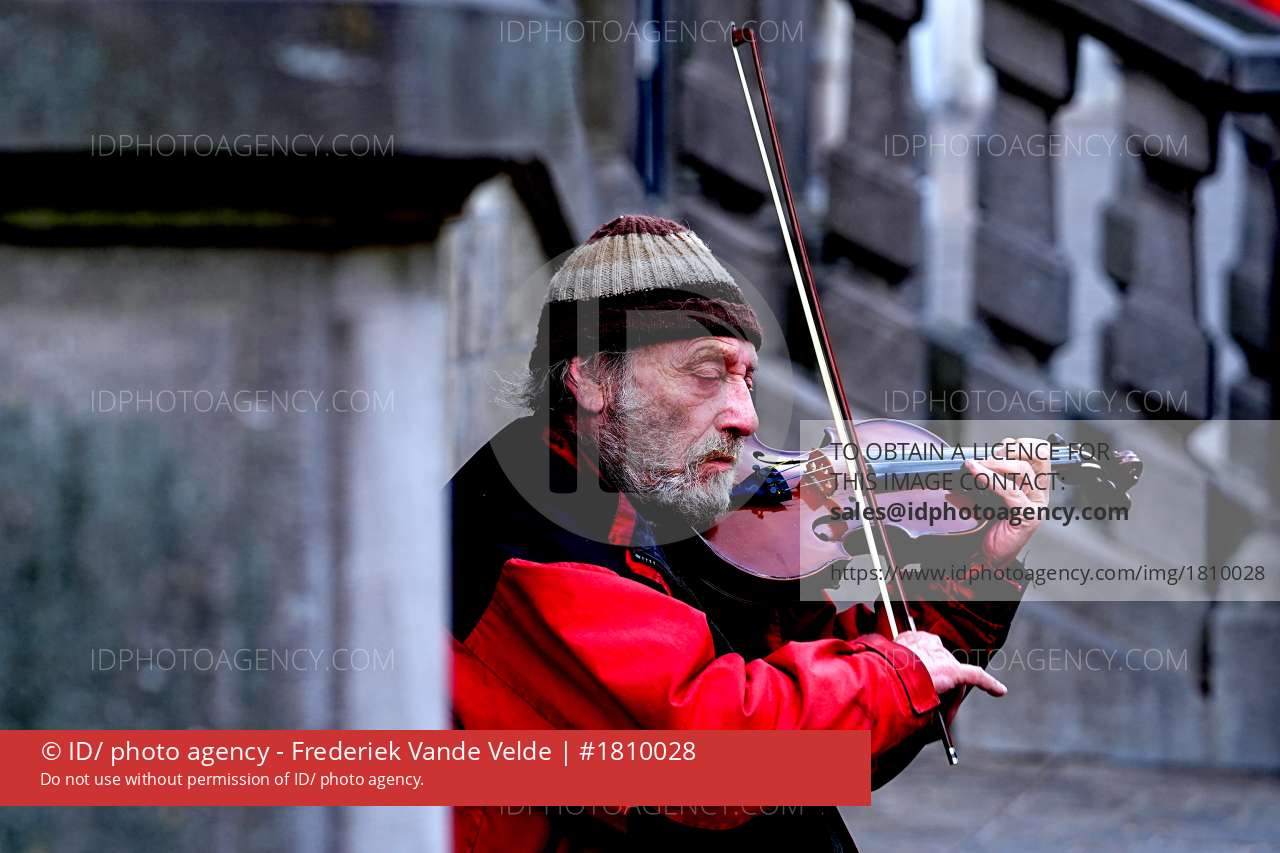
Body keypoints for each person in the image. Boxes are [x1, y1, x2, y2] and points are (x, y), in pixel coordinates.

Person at [448, 215, 1048, 851]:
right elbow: (722, 754)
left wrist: (967, 577)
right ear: (593, 378)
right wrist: (899, 678)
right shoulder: (536, 540)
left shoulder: (660, 499)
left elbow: (828, 738)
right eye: (708, 373)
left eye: (747, 379)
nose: (746, 417)